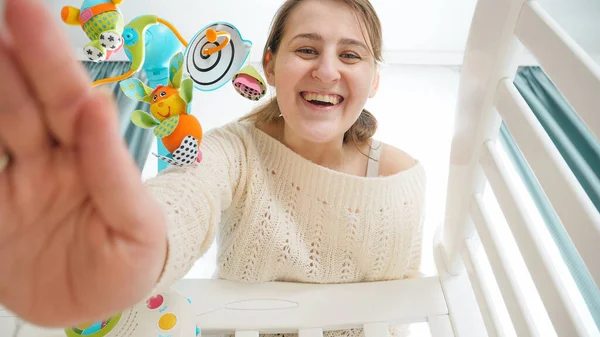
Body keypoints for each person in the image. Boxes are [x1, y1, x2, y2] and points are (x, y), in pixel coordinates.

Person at [0, 0, 426, 336]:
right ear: (271, 67)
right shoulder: (233, 150)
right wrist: (123, 252)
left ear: (373, 81)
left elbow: (397, 312)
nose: (327, 70)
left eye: (350, 55)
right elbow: (185, 197)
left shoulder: (401, 181)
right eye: (307, 49)